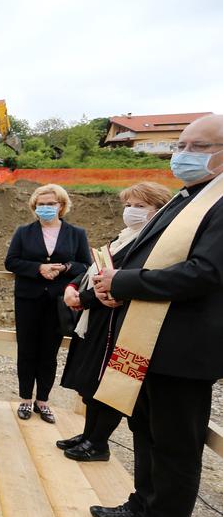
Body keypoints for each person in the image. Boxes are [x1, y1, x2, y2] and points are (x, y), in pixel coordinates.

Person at [89, 114, 223, 517]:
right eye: (180, 145)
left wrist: (124, 283)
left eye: (196, 147)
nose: (181, 155)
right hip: (152, 339)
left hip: (184, 348)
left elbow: (204, 273)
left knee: (175, 442)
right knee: (146, 427)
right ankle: (142, 505)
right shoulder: (191, 196)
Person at [57, 182, 171, 462]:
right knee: (90, 382)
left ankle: (98, 442)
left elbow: (113, 287)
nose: (131, 211)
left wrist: (83, 298)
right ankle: (87, 435)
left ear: (159, 210)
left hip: (118, 324)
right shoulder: (124, 237)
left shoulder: (155, 245)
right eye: (128, 205)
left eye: (140, 206)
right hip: (97, 321)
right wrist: (74, 288)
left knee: (107, 385)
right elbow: (95, 270)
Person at [5, 184, 91, 423]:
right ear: (35, 207)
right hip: (28, 300)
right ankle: (25, 399)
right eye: (41, 204)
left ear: (61, 206)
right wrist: (38, 269)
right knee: (27, 350)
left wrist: (64, 268)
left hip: (58, 302)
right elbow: (11, 262)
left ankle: (42, 400)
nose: (45, 208)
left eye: (50, 204)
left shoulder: (76, 234)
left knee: (49, 352)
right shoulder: (24, 232)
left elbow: (85, 264)